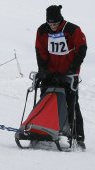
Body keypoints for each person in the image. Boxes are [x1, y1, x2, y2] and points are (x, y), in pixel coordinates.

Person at [35, 5, 87, 149]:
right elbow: (40, 51)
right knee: (45, 100)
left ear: (60, 20)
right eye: (50, 24)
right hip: (50, 73)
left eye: (55, 24)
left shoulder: (72, 30)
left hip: (68, 74)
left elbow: (82, 49)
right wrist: (43, 70)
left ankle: (77, 136)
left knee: (72, 104)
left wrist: (72, 69)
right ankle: (42, 131)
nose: (52, 26)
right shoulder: (42, 30)